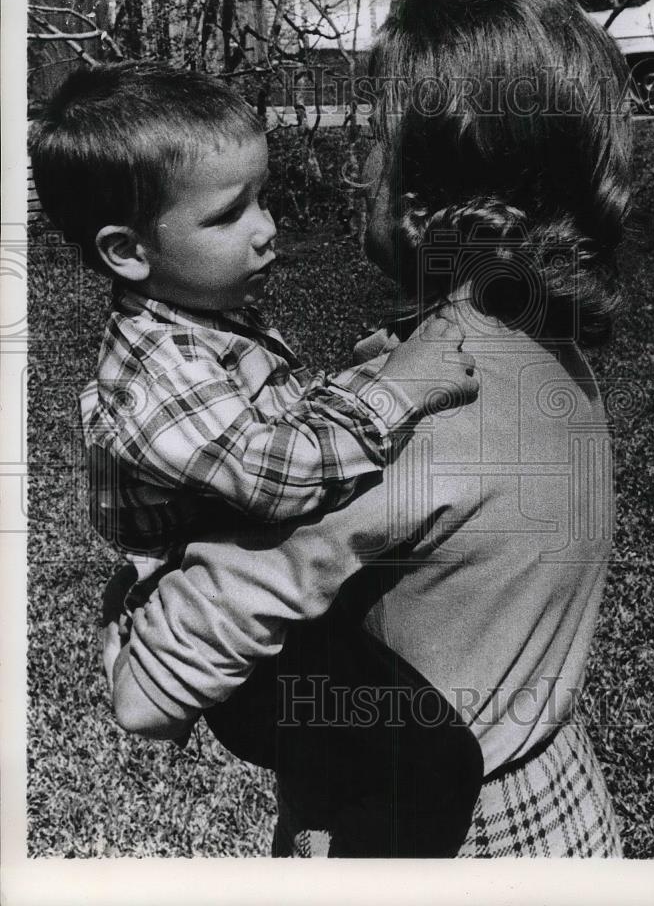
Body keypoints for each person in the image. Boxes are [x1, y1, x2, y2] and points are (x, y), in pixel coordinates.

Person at [110, 0, 633, 857]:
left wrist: (138, 605)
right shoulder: (544, 340)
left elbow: (153, 686)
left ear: (442, 188)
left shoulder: (417, 410)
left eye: (377, 139)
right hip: (560, 797)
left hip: (421, 831)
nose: (358, 169)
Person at [29, 63, 478, 687]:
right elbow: (277, 475)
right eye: (227, 215)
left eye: (261, 198)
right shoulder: (160, 375)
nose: (266, 228)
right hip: (208, 624)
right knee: (417, 746)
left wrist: (368, 370)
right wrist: (392, 392)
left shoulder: (202, 323)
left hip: (245, 581)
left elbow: (277, 413)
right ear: (128, 252)